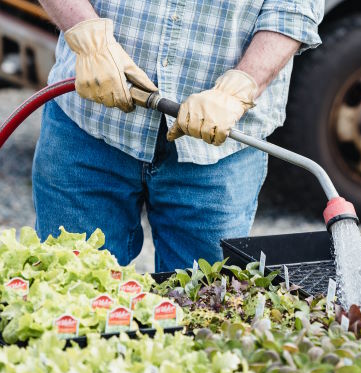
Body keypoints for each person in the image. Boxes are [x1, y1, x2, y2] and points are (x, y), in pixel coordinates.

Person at [34, 0, 323, 271]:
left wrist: (241, 85)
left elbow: (293, 7)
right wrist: (87, 37)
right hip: (88, 124)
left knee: (201, 313)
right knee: (73, 303)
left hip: (217, 152)